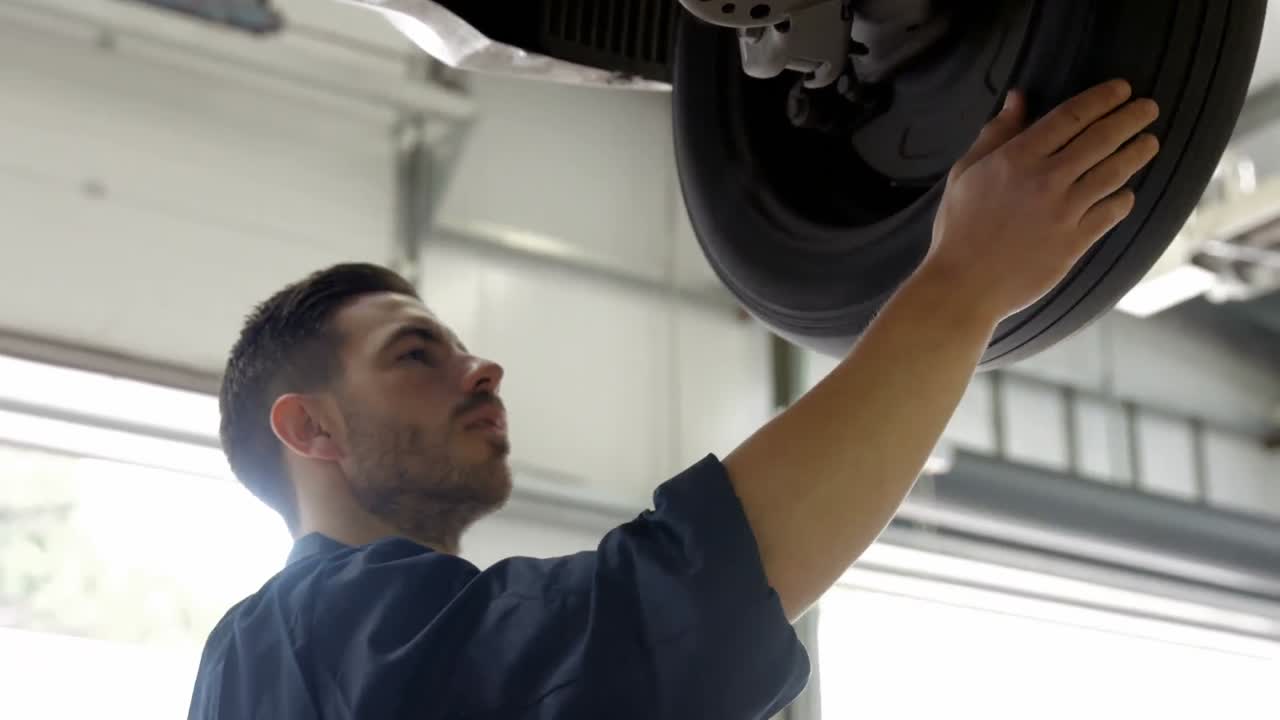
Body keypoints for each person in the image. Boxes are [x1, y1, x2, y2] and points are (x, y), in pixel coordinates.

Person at [188, 79, 1160, 719]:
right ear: (308, 426)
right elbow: (672, 609)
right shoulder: (302, 632)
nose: (481, 370)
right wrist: (964, 281)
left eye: (462, 347)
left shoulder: (334, 658)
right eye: (414, 353)